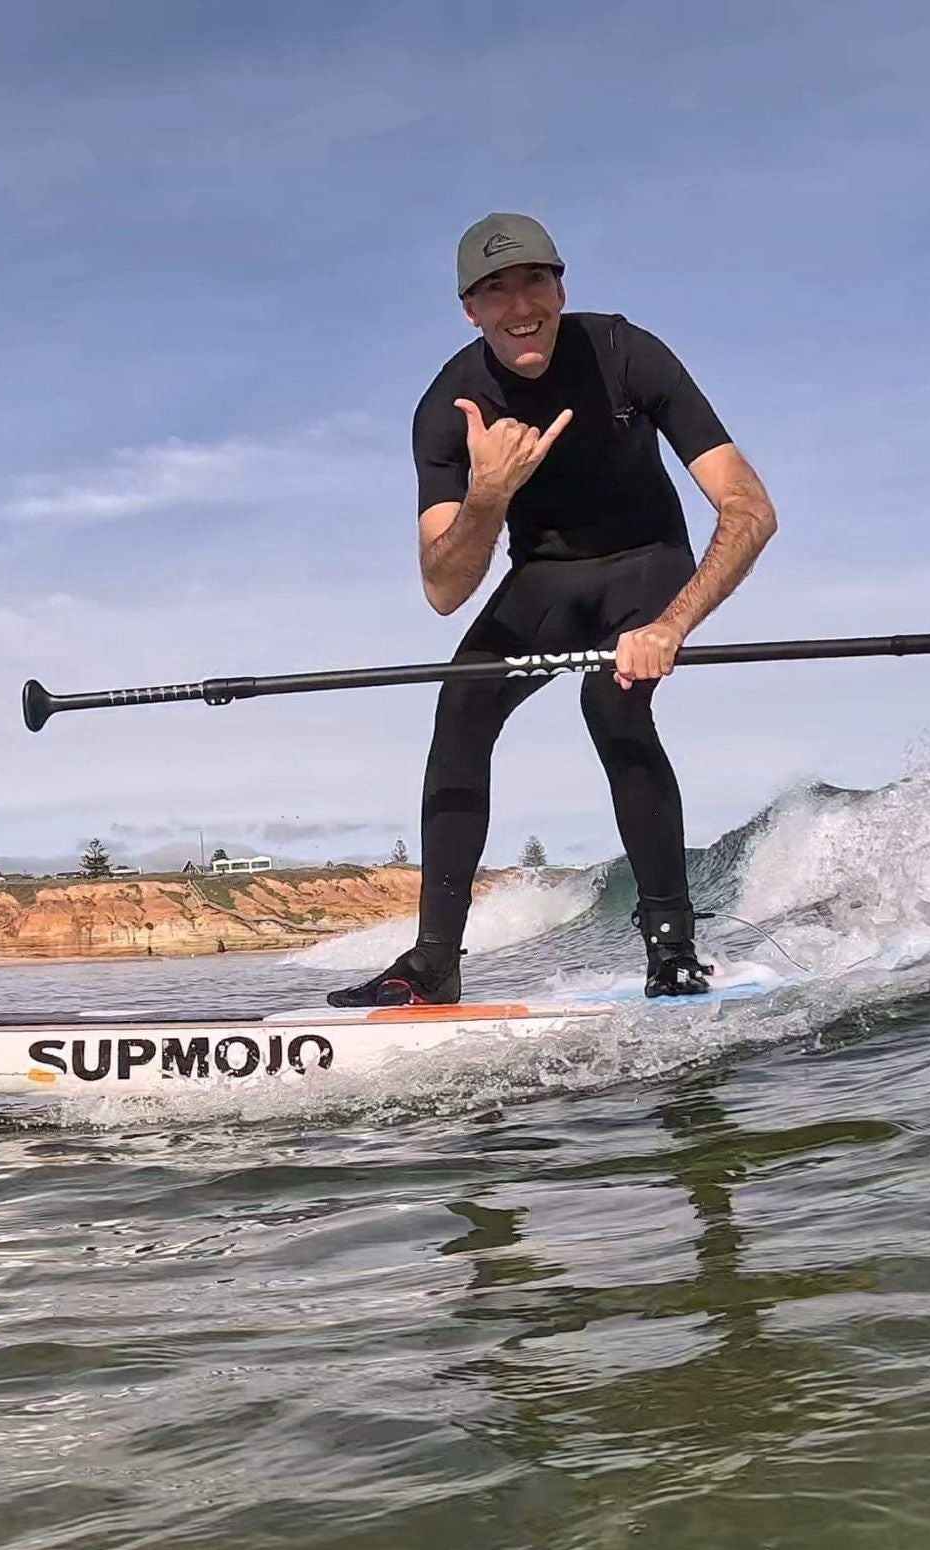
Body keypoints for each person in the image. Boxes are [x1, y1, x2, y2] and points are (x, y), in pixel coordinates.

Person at [329, 212, 776, 1007]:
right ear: (469, 308)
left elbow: (747, 508)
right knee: (461, 701)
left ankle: (671, 947)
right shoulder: (449, 405)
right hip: (543, 580)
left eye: (534, 279)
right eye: (493, 290)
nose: (518, 304)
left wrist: (669, 625)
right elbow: (442, 588)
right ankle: (435, 960)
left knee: (610, 698)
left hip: (648, 565)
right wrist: (489, 493)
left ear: (561, 286)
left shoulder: (624, 353)